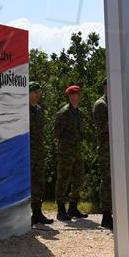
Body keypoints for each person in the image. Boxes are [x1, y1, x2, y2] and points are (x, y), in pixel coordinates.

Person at [54, 85, 87, 221]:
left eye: (77, 95)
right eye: (73, 95)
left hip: (77, 152)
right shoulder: (64, 113)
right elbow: (56, 133)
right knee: (63, 180)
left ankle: (73, 207)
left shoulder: (79, 113)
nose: (75, 97)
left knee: (79, 178)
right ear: (69, 96)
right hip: (66, 153)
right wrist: (66, 142)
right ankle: (61, 210)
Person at [29, 82, 53, 225]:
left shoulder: (39, 110)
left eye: (39, 92)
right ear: (29, 93)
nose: (38, 95)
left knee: (39, 182)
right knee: (28, 182)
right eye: (35, 92)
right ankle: (26, 214)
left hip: (39, 151)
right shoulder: (23, 111)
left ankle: (37, 213)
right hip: (28, 152)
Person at [92, 77, 113, 230]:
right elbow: (102, 127)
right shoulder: (101, 105)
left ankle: (114, 212)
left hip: (115, 148)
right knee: (107, 181)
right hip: (106, 149)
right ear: (105, 87)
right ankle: (106, 215)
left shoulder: (114, 103)